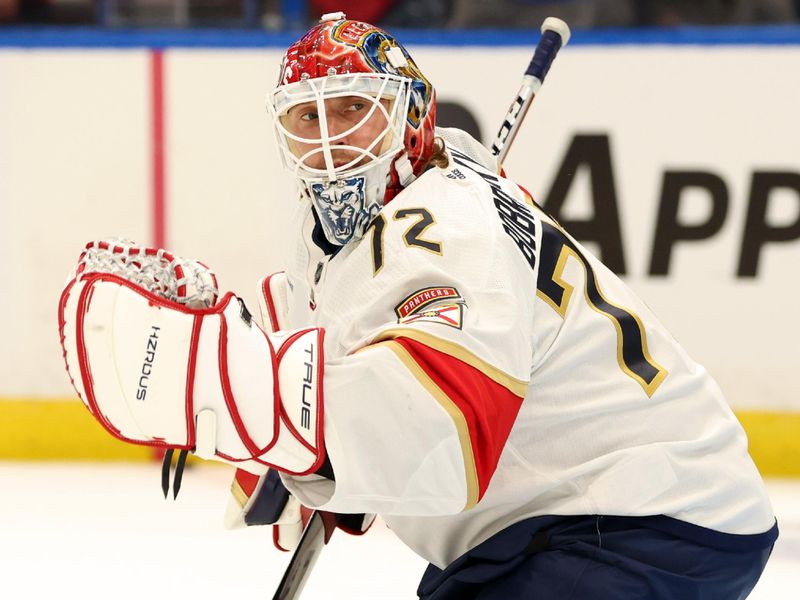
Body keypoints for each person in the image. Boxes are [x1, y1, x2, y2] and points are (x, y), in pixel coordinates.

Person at [59, 13, 777, 600]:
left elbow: (447, 428)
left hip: (641, 519)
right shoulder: (397, 201)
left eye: (351, 108)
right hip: (550, 520)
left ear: (409, 117)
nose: (330, 139)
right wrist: (320, 464)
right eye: (307, 117)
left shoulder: (451, 226)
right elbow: (353, 374)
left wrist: (228, 388)